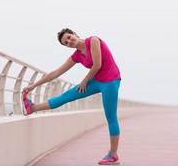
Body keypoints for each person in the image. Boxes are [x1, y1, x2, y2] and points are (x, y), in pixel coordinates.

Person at [22, 28, 121, 165]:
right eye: (66, 42)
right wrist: (33, 85)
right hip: (95, 80)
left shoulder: (93, 40)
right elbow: (56, 73)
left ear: (75, 34)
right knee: (66, 96)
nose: (69, 41)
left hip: (110, 80)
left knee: (111, 117)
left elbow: (97, 65)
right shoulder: (77, 56)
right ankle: (31, 108)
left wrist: (85, 81)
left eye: (69, 37)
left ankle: (113, 154)